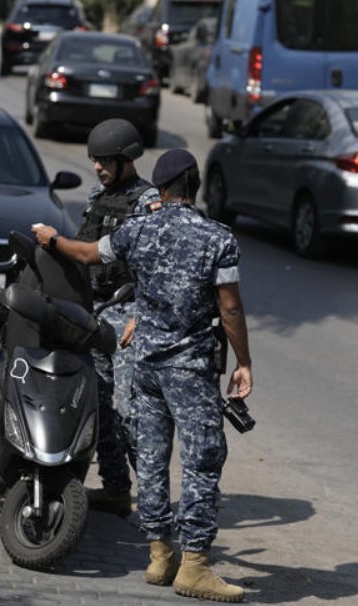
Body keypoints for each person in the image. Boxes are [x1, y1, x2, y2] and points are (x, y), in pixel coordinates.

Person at [31, 149, 253, 603]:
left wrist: (52, 240)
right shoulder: (217, 238)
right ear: (194, 184)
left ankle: (158, 557)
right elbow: (229, 307)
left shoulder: (138, 227)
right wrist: (244, 361)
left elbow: (89, 254)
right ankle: (194, 567)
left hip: (146, 366)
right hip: (189, 371)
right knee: (202, 462)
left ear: (162, 187)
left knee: (151, 459)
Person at [77, 119, 159, 517]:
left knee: (130, 411)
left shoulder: (148, 203)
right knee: (100, 405)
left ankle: (154, 500)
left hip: (129, 313)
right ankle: (115, 488)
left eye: (106, 160)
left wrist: (142, 314)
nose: (98, 167)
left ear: (127, 160)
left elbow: (161, 268)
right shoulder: (96, 197)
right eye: (95, 159)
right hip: (95, 312)